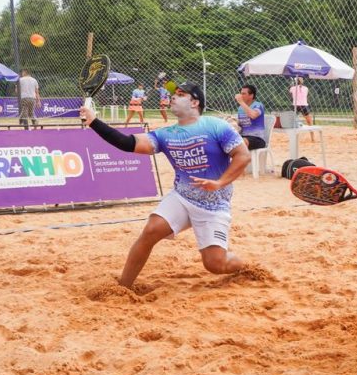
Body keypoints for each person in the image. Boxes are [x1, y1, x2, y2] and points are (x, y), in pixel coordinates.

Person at [80, 82, 251, 288]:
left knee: (215, 264)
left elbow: (243, 156)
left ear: (195, 102)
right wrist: (94, 121)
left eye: (180, 94)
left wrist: (220, 182)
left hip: (214, 205)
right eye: (173, 94)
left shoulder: (216, 126)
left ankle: (246, 267)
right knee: (151, 230)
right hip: (182, 197)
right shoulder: (165, 134)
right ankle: (123, 287)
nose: (173, 97)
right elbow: (126, 143)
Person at [235, 84, 266, 150]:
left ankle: (243, 160)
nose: (241, 96)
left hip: (257, 138)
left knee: (241, 142)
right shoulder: (241, 108)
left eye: (243, 94)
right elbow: (240, 124)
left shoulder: (258, 105)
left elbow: (253, 115)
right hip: (243, 136)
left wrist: (241, 102)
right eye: (241, 93)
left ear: (251, 95)